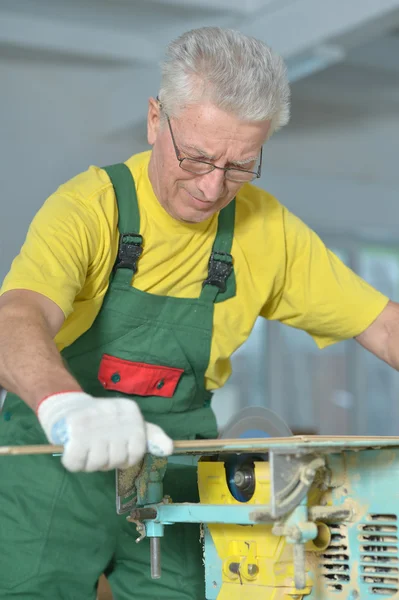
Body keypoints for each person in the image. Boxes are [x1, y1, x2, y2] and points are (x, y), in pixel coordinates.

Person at [0, 25, 398, 600]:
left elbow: (383, 324)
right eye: (197, 157)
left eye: (240, 166)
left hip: (177, 469)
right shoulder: (91, 207)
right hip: (53, 465)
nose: (212, 188)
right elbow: (16, 317)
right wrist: (65, 406)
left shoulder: (268, 231)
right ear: (155, 120)